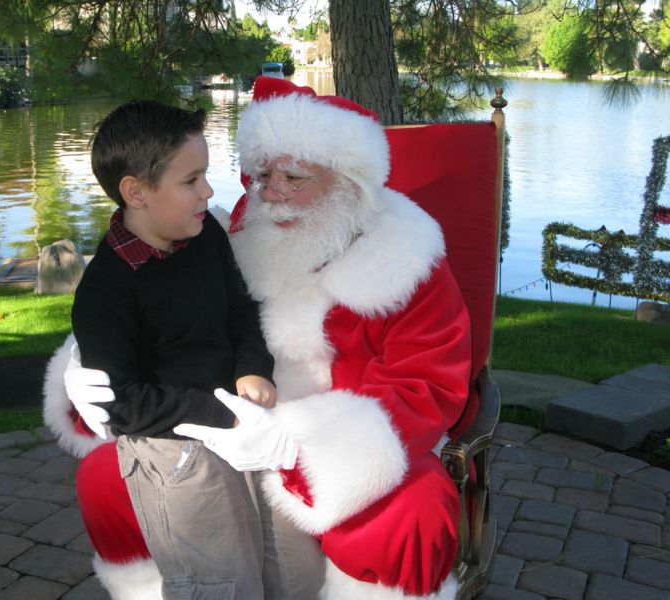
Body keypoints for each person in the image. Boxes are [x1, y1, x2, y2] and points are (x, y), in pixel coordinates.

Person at [44, 77, 473, 600]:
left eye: (293, 176)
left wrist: (293, 445)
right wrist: (85, 362)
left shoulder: (406, 260)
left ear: (348, 181)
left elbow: (423, 388)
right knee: (105, 478)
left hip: (329, 437)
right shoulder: (233, 229)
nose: (272, 193)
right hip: (215, 413)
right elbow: (160, 308)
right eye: (263, 173)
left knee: (415, 509)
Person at [64, 98, 304, 599]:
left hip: (243, 419)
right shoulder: (106, 291)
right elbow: (122, 403)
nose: (209, 191)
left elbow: (240, 308)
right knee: (219, 584)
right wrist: (222, 415)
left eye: (206, 176)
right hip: (174, 451)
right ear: (136, 192)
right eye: (191, 180)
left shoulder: (205, 236)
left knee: (291, 567)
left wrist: (253, 369)